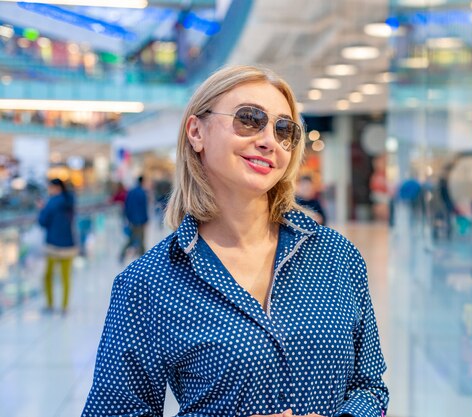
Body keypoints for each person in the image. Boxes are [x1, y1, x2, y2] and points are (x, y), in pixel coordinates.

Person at [82, 65, 388, 417]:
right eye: (249, 119)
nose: (269, 141)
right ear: (196, 131)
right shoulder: (147, 284)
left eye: (284, 130)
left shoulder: (337, 255)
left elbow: (370, 387)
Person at [38, 178, 77, 314]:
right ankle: (64, 306)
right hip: (69, 244)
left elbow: (43, 221)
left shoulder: (52, 202)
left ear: (55, 188)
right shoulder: (69, 199)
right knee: (65, 277)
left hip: (53, 245)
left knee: (48, 276)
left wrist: (42, 209)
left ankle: (50, 304)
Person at [119, 175, 149, 263]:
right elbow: (143, 208)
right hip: (140, 220)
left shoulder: (131, 192)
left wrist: (128, 218)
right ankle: (143, 258)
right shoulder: (142, 193)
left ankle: (124, 255)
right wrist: (145, 219)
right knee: (139, 239)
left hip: (133, 220)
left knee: (133, 238)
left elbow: (127, 206)